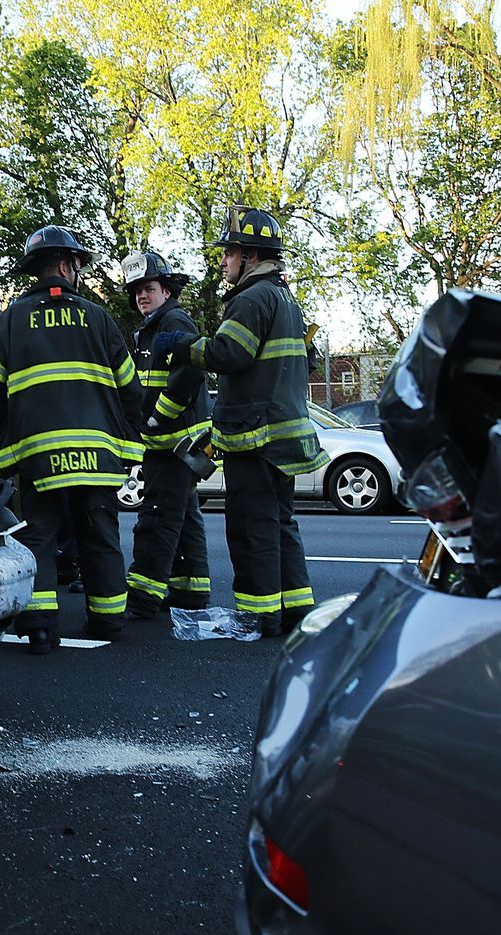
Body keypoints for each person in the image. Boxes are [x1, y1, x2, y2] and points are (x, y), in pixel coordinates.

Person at [158, 207, 327, 636]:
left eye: (228, 253)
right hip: (283, 437)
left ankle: (259, 615)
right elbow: (308, 361)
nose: (222, 262)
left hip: (257, 437)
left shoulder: (251, 299)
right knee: (281, 524)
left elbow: (229, 353)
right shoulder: (285, 298)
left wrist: (184, 345)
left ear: (249, 255)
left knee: (253, 528)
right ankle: (295, 609)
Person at [0, 225, 142, 653]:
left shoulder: (10, 321)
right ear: (67, 267)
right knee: (100, 537)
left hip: (38, 456)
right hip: (97, 455)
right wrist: (130, 438)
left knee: (38, 538)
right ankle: (109, 620)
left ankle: (40, 628)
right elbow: (130, 388)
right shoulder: (98, 318)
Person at [119, 250, 211, 618]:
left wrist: (158, 417)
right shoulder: (154, 325)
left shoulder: (174, 321)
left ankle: (143, 596)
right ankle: (191, 590)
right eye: (138, 290)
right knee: (183, 516)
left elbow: (190, 373)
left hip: (175, 443)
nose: (142, 295)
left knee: (157, 517)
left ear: (167, 291)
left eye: (149, 289)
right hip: (174, 444)